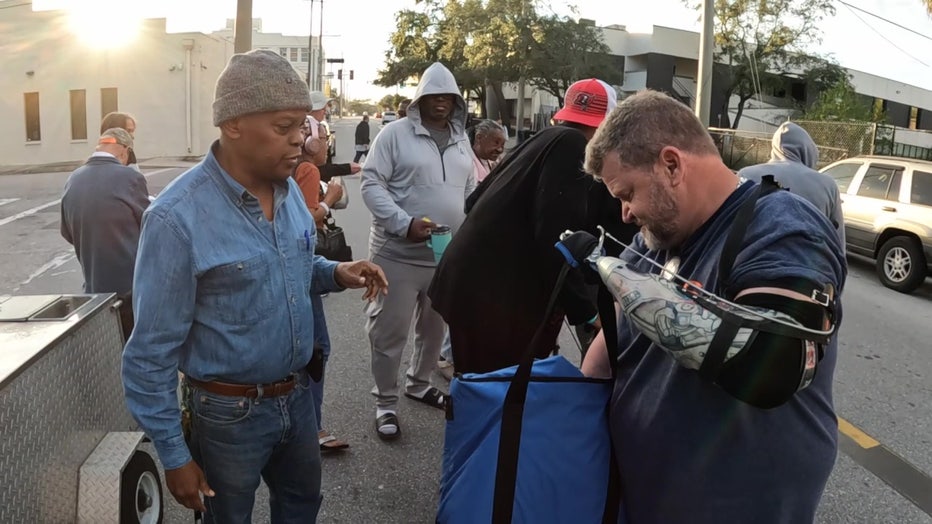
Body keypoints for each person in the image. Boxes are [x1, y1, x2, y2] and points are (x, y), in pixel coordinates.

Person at [121, 49, 388, 522]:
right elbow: (149, 355)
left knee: (301, 505)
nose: (300, 142)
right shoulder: (176, 219)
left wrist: (334, 272)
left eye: (302, 127)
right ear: (233, 125)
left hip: (299, 397)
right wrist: (174, 454)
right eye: (284, 127)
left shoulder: (286, 192)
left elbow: (287, 267)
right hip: (227, 416)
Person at [581, 90, 846, 523]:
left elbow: (774, 363)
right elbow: (600, 361)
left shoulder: (782, 224)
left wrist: (616, 275)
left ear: (671, 164)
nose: (625, 213)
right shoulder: (655, 240)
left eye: (627, 192)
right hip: (641, 497)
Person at [428, 78, 631, 375]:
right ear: (607, 127)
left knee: (478, 387)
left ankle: (471, 421)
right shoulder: (575, 147)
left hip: (468, 285)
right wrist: (588, 314)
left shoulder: (544, 138)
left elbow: (474, 200)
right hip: (493, 299)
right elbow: (558, 238)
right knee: (496, 392)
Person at [360, 62, 475, 440]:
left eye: (448, 97)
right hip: (397, 254)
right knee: (388, 331)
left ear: (457, 102)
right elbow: (371, 183)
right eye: (433, 96)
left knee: (433, 326)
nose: (440, 102)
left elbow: (470, 191)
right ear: (419, 99)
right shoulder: (394, 135)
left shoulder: (462, 140)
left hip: (444, 255)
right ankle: (386, 403)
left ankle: (419, 383)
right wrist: (403, 223)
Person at [293, 119, 350, 453]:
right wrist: (330, 199)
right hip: (304, 262)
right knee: (317, 348)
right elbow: (302, 219)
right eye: (323, 136)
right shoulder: (307, 170)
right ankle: (310, 428)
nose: (326, 142)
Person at [60, 127, 148, 339]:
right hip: (131, 293)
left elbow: (67, 232)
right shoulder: (130, 177)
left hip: (94, 292)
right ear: (124, 151)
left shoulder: (73, 179)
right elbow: (152, 226)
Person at [739, 121, 845, 245]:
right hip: (809, 261)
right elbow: (838, 241)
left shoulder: (746, 175)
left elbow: (727, 230)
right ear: (809, 150)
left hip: (754, 260)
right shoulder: (828, 185)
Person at [307, 91, 362, 180]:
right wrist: (347, 168)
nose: (325, 112)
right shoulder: (308, 130)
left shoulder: (318, 126)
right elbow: (318, 169)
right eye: (323, 109)